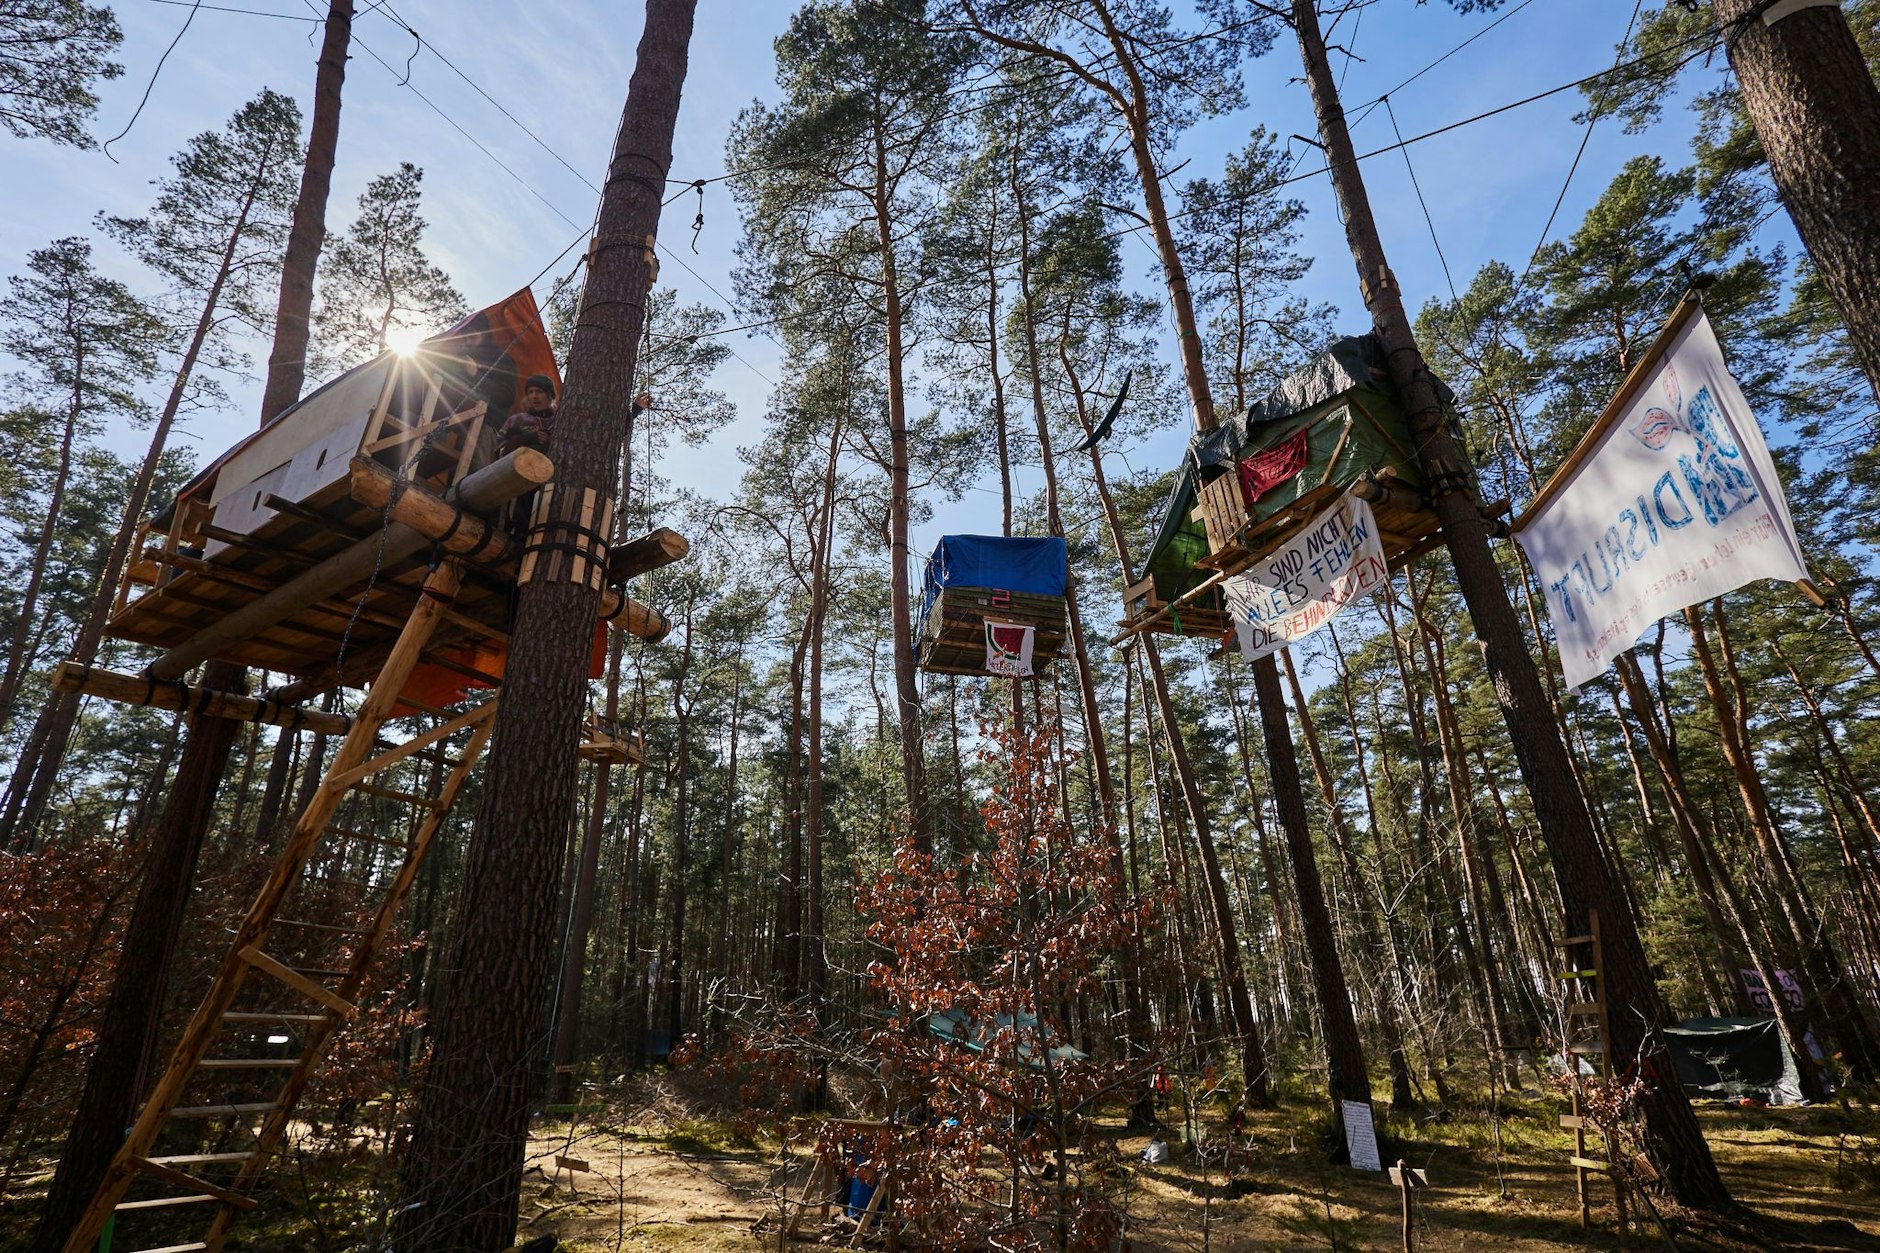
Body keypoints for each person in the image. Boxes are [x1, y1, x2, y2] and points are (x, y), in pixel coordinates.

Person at [499, 373, 557, 455]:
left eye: (539, 392)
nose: (534, 396)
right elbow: (498, 453)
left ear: (550, 395)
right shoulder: (516, 420)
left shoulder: (558, 422)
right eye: (530, 392)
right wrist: (523, 439)